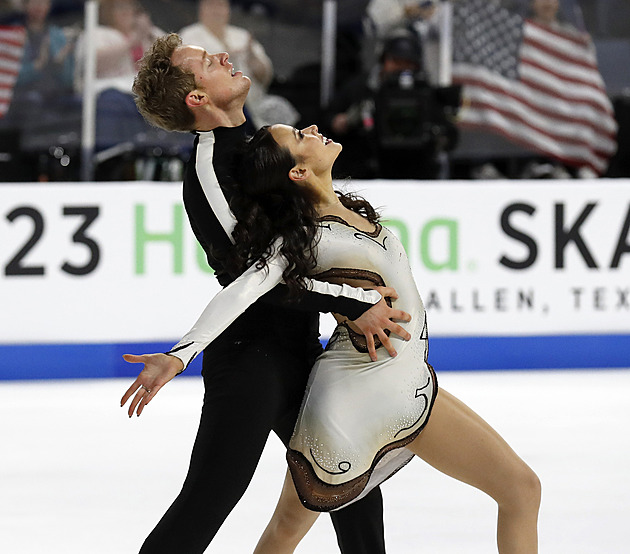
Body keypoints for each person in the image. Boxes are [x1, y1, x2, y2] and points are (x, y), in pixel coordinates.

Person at [151, 121, 542, 553]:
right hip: (367, 394)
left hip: (397, 378)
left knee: (286, 527)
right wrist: (181, 354)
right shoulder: (302, 238)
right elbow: (241, 290)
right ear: (297, 173)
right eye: (300, 137)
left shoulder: (347, 210)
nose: (313, 128)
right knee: (521, 489)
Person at [121, 33, 411, 554]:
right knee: (210, 498)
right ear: (197, 98)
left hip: (300, 349)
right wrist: (350, 303)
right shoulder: (212, 169)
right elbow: (258, 277)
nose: (222, 56)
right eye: (205, 62)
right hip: (251, 358)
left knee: (354, 482)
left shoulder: (257, 142)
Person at [179, 0, 298, 130]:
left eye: (221, 6)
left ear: (228, 10)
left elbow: (265, 75)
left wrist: (252, 59)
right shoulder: (188, 37)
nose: (216, 10)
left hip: (255, 102)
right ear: (201, 9)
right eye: (211, 5)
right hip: (214, 108)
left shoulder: (242, 36)